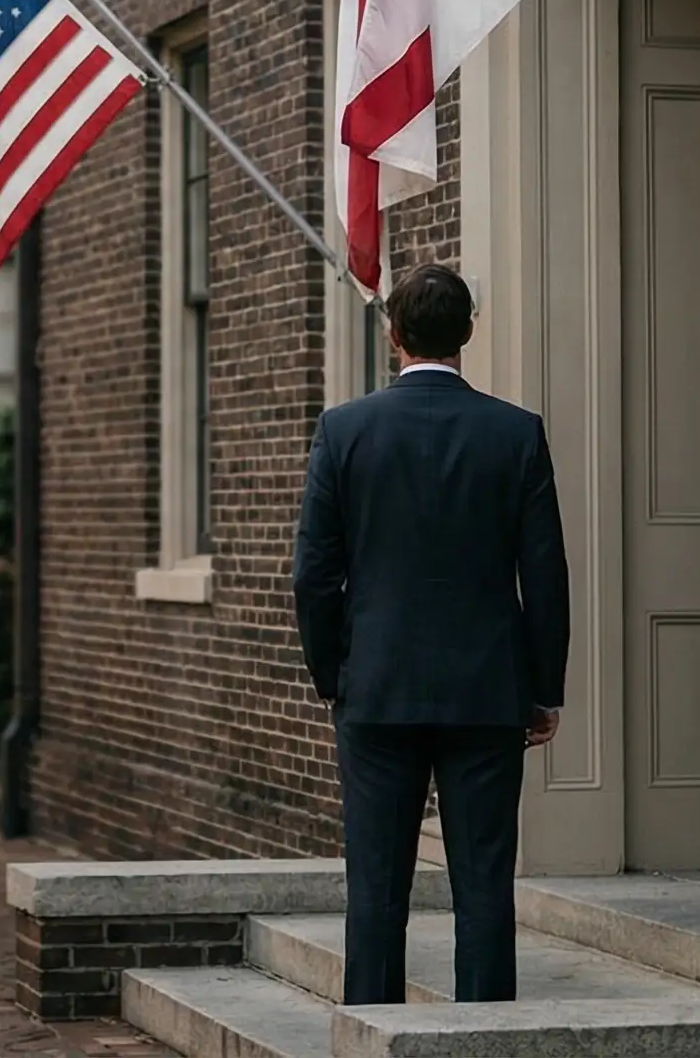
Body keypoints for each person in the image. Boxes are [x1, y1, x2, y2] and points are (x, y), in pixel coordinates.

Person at [290, 262, 571, 1006]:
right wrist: (544, 691)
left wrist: (334, 678)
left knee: (375, 890)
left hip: (375, 692)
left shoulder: (344, 431)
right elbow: (544, 575)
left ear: (393, 335)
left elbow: (313, 577)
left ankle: (372, 1038)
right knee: (485, 889)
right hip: (487, 693)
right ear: (468, 332)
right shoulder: (516, 433)